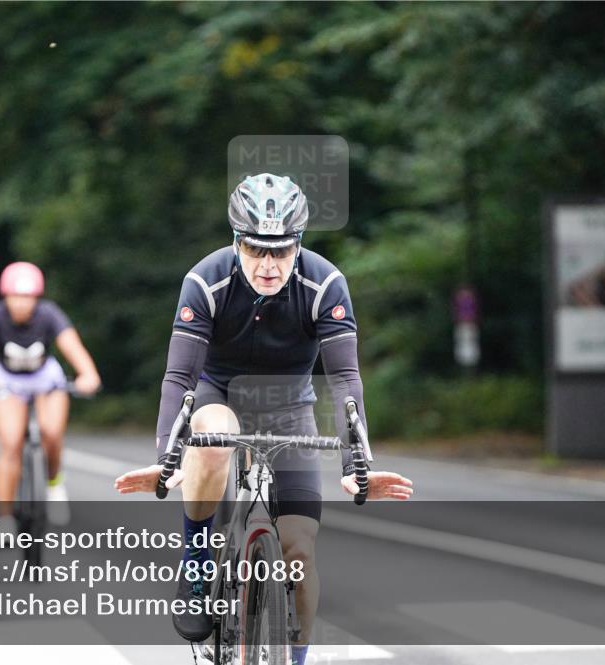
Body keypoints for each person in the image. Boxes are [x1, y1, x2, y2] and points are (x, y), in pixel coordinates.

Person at [115, 174, 412, 665]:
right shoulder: (205, 280)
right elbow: (178, 379)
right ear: (236, 242)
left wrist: (355, 465)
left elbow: (344, 381)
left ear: (299, 244)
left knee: (298, 550)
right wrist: (168, 460)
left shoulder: (325, 284)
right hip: (219, 394)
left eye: (282, 250)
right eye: (256, 250)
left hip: (289, 405)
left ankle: (294, 659)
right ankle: (196, 562)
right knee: (213, 438)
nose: (269, 264)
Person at [0, 261, 101, 531]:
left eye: (28, 298)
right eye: (15, 297)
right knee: (11, 443)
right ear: (5, 296)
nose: (21, 303)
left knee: (51, 432)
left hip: (44, 380)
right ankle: (5, 517)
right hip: (7, 381)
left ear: (36, 298)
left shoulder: (49, 314)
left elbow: (72, 346)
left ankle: (54, 483)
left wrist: (88, 374)